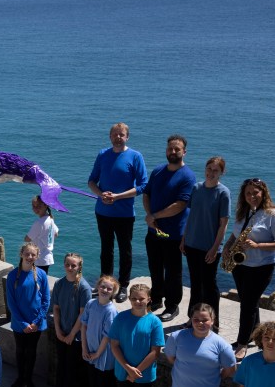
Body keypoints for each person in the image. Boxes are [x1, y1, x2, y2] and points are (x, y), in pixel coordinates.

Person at [88, 122, 148, 303]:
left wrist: (118, 196)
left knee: (125, 250)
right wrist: (101, 194)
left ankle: (122, 285)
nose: (118, 137)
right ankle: (105, 284)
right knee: (106, 250)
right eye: (115, 134)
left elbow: (143, 186)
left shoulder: (135, 156)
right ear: (110, 136)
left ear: (127, 137)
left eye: (121, 134)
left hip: (124, 214)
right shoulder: (102, 155)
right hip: (103, 212)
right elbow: (92, 181)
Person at [143, 134, 196, 322]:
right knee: (155, 267)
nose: (173, 152)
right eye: (170, 148)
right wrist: (150, 217)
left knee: (173, 272)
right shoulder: (158, 171)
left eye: (177, 149)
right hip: (153, 231)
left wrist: (155, 216)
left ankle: (172, 306)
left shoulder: (188, 176)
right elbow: (146, 194)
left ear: (184, 152)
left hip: (174, 234)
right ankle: (156, 299)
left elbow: (181, 204)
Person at [223, 178, 275, 361]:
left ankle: (242, 343)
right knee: (248, 301)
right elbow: (235, 233)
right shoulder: (243, 212)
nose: (252, 196)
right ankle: (256, 331)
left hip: (261, 267)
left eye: (255, 193)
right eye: (248, 193)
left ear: (263, 193)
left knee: (247, 305)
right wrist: (228, 246)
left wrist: (257, 245)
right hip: (240, 265)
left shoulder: (271, 214)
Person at [180, 157, 230, 322]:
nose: (211, 173)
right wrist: (184, 239)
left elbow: (223, 224)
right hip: (192, 244)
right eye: (209, 169)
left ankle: (212, 320)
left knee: (209, 286)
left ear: (222, 173)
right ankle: (192, 318)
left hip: (209, 247)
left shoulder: (223, 193)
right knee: (195, 283)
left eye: (216, 170)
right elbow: (191, 216)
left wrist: (215, 248)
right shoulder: (196, 188)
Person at [46, 253, 92, 387]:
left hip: (76, 336)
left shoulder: (83, 288)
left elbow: (82, 314)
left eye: (74, 265)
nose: (70, 268)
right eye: (68, 264)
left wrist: (72, 334)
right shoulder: (59, 284)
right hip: (62, 332)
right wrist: (58, 331)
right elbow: (56, 309)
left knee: (70, 367)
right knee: (61, 365)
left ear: (79, 267)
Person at [6, 242, 49, 387]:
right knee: (20, 351)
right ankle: (20, 378)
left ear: (37, 256)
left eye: (33, 255)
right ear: (21, 254)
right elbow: (11, 302)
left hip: (36, 324)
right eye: (27, 254)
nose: (30, 257)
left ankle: (28, 380)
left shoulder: (42, 275)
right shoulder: (13, 276)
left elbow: (46, 301)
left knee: (31, 352)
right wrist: (23, 323)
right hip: (19, 323)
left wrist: (36, 322)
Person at [80, 275, 119, 387]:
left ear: (113, 292)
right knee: (93, 381)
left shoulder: (111, 311)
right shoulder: (91, 303)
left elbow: (107, 336)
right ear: (98, 286)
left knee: (103, 383)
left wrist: (97, 353)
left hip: (104, 354)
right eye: (103, 286)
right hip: (89, 349)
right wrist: (84, 347)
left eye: (109, 288)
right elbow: (84, 325)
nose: (105, 290)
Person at [25, 195, 59, 274]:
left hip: (38, 259)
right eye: (33, 206)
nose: (36, 208)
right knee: (42, 280)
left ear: (45, 205)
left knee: (36, 281)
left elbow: (27, 239)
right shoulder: (50, 219)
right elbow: (56, 233)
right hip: (47, 257)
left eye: (38, 206)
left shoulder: (39, 223)